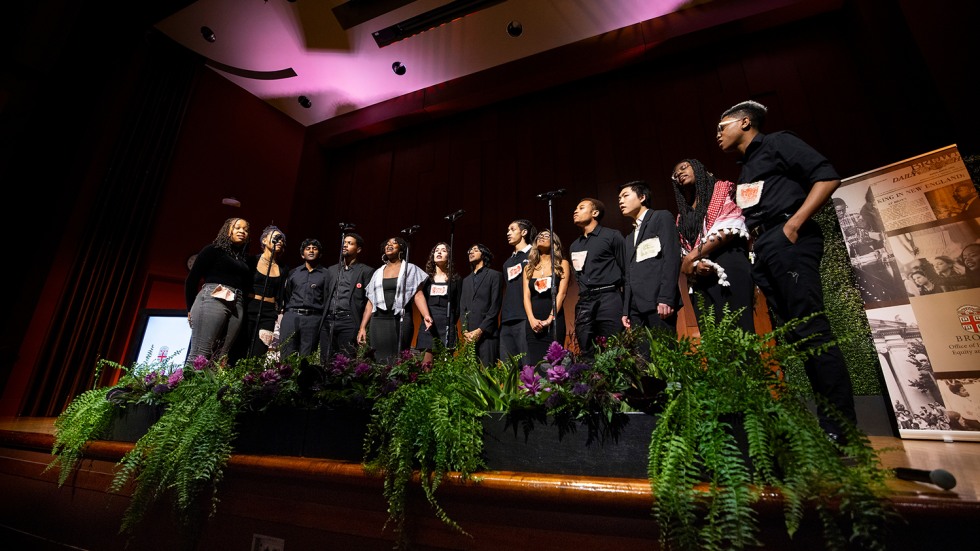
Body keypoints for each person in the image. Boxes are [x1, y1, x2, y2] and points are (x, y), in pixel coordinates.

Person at [716, 99, 856, 442]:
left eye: (723, 126)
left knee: (812, 331)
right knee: (796, 338)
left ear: (746, 122)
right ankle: (821, 429)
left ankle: (841, 430)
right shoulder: (745, 167)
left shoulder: (778, 142)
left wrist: (793, 225)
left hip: (788, 239)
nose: (717, 134)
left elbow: (827, 177)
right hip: (765, 250)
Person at [671, 160, 755, 333]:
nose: (679, 172)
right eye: (675, 173)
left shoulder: (724, 189)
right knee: (712, 337)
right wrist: (695, 265)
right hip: (700, 276)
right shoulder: (682, 216)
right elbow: (683, 248)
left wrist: (691, 258)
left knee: (739, 331)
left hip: (729, 263)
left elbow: (732, 225)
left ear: (699, 168)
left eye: (684, 167)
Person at [184, 217, 251, 367]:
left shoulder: (243, 258)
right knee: (201, 353)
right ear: (228, 230)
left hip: (237, 303)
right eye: (237, 228)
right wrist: (189, 309)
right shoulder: (213, 250)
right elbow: (191, 280)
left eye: (245, 229)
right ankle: (187, 389)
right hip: (213, 298)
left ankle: (208, 391)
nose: (242, 231)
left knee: (220, 357)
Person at [618, 180, 682, 336]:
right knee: (642, 358)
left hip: (658, 303)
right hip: (635, 310)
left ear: (642, 197)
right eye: (619, 198)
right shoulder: (629, 237)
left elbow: (672, 258)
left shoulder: (661, 217)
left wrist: (666, 298)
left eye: (625, 196)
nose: (621, 201)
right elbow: (628, 275)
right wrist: (626, 309)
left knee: (664, 355)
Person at [357, 237, 432, 363]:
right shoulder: (378, 273)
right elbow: (370, 302)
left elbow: (418, 295)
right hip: (378, 321)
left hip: (400, 319)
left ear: (401, 248)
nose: (389, 245)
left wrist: (426, 315)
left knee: (399, 358)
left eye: (394, 243)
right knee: (378, 358)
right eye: (387, 244)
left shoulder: (410, 269)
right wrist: (362, 327)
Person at [569, 198, 626, 360]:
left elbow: (626, 271)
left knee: (613, 349)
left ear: (595, 213)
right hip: (585, 300)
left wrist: (627, 305)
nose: (575, 211)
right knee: (587, 351)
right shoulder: (574, 245)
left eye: (581, 208)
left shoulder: (612, 236)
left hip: (609, 297)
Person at [235, 225, 288, 361]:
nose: (280, 241)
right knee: (240, 348)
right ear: (264, 241)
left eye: (282, 239)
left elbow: (282, 293)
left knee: (259, 352)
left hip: (268, 313)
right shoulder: (251, 261)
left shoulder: (283, 268)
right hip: (249, 307)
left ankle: (253, 380)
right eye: (276, 237)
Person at [522, 229, 570, 365]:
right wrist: (531, 319)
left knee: (554, 363)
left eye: (546, 236)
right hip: (533, 322)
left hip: (554, 319)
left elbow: (562, 293)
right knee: (535, 363)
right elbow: (526, 295)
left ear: (554, 242)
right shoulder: (529, 268)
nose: (541, 237)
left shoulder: (562, 264)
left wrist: (550, 318)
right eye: (539, 236)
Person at [323, 232, 373, 360]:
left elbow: (369, 300)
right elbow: (326, 295)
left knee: (345, 362)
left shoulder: (365, 271)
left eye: (349, 243)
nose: (345, 246)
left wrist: (362, 327)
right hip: (329, 320)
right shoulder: (332, 270)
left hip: (349, 321)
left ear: (359, 249)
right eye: (344, 243)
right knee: (325, 360)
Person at [279, 238, 329, 361]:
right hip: (291, 317)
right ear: (302, 254)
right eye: (308, 249)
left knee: (306, 358)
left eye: (314, 249)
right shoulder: (293, 272)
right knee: (286, 354)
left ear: (320, 254)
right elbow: (287, 294)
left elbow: (326, 297)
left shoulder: (327, 274)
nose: (311, 251)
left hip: (313, 319)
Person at [499, 219, 536, 365]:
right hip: (507, 318)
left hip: (525, 317)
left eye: (512, 229)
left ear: (524, 232)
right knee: (507, 366)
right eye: (508, 230)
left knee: (527, 364)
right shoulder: (507, 263)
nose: (508, 233)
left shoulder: (534, 255)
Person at [416, 242, 461, 363]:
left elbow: (458, 306)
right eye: (437, 250)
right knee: (426, 365)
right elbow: (420, 299)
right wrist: (426, 317)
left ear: (449, 256)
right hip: (429, 323)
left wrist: (451, 320)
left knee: (446, 366)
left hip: (447, 322)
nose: (439, 252)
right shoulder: (426, 279)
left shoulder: (455, 279)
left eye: (444, 250)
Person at [460, 243, 504, 366]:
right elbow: (462, 307)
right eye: (469, 250)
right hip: (469, 336)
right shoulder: (466, 280)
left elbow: (495, 306)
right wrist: (465, 331)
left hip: (487, 334)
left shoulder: (495, 275)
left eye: (475, 250)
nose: (471, 252)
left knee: (487, 375)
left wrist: (480, 330)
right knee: (470, 376)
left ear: (484, 254)